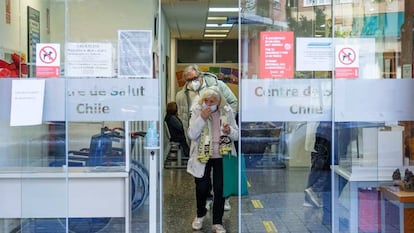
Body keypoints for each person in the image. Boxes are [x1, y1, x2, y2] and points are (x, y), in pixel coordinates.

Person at [176, 64, 237, 210]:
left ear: (200, 75)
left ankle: (223, 200)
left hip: (219, 139)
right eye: (188, 80)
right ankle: (206, 201)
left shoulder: (218, 85)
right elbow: (184, 119)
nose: (192, 82)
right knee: (202, 178)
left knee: (221, 179)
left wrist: (227, 120)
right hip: (200, 139)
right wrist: (189, 137)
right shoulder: (182, 95)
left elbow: (232, 102)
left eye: (194, 78)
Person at [186, 87, 238, 233]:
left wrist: (229, 131)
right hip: (203, 155)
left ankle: (217, 222)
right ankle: (200, 214)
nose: (209, 104)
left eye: (212, 101)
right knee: (202, 187)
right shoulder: (197, 111)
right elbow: (191, 134)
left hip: (222, 155)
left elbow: (236, 134)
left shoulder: (227, 111)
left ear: (219, 101)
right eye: (206, 101)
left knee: (220, 189)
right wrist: (202, 118)